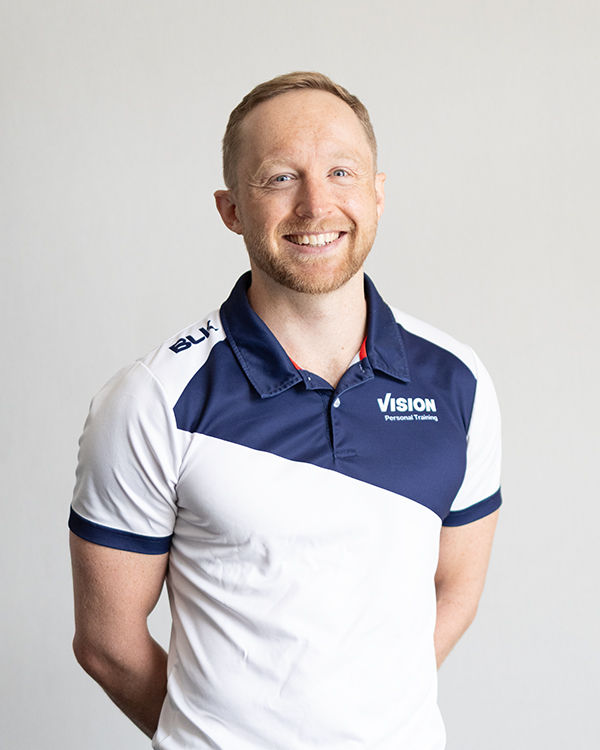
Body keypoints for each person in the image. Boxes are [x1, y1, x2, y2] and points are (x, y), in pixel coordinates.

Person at [69, 71, 502, 750]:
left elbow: (455, 594)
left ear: (377, 193)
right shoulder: (152, 400)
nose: (316, 204)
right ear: (231, 209)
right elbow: (107, 645)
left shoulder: (459, 382)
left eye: (340, 172)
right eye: (279, 178)